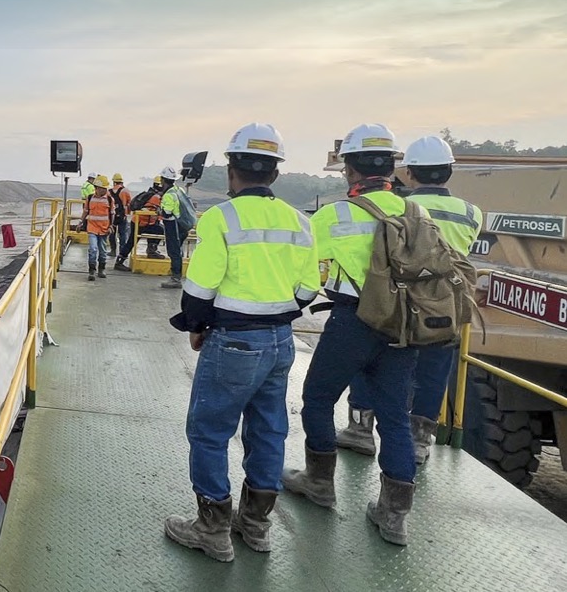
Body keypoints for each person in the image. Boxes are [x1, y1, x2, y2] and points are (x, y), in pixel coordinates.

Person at [164, 123, 320, 562]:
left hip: (233, 341)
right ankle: (256, 526)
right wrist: (277, 310)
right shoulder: (300, 223)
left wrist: (197, 324)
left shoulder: (220, 219)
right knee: (269, 429)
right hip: (280, 342)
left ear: (232, 170)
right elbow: (309, 290)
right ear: (274, 173)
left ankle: (212, 529)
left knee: (210, 431)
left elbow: (199, 290)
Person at [282, 123, 420, 546]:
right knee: (395, 417)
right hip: (402, 325)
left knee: (319, 397)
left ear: (349, 169)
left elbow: (305, 269)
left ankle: (320, 483)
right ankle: (394, 515)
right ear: (392, 166)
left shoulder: (334, 215)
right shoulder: (417, 213)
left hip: (353, 321)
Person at [335, 135, 483, 463]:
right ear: (448, 172)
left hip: (399, 299)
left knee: (370, 360)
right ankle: (420, 440)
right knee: (434, 370)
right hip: (445, 303)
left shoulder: (404, 207)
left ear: (410, 174)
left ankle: (360, 428)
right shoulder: (472, 213)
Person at [159, 167, 197, 288]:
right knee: (177, 251)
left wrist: (159, 211)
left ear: (163, 180)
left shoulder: (169, 195)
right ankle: (175, 275)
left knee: (174, 252)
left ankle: (176, 278)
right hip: (182, 226)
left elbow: (167, 213)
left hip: (174, 226)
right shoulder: (178, 190)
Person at [116, 176, 165, 269]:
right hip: (142, 223)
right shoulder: (157, 197)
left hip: (138, 222)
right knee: (159, 230)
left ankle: (120, 260)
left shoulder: (150, 194)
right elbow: (161, 212)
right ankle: (151, 251)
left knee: (132, 241)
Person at [83, 175, 115, 281]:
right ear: (97, 187)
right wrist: (80, 223)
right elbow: (86, 211)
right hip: (92, 227)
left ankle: (101, 269)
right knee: (93, 249)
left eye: (106, 188)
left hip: (104, 229)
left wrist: (111, 226)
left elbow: (112, 214)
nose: (105, 190)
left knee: (103, 251)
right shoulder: (90, 198)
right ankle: (92, 270)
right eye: (103, 188)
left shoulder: (109, 199)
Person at [108, 173, 132, 268]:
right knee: (123, 236)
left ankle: (113, 251)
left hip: (112, 216)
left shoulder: (109, 191)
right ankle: (122, 254)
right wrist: (127, 213)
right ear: (122, 181)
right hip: (122, 217)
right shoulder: (125, 191)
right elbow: (130, 203)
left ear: (114, 181)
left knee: (112, 233)